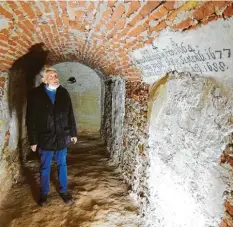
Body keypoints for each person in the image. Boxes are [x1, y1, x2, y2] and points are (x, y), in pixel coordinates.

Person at [26, 67, 77, 206]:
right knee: (45, 167)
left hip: (62, 135)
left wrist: (73, 133)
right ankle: (43, 194)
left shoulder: (63, 92)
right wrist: (33, 140)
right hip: (45, 137)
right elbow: (31, 119)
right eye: (52, 76)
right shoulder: (35, 94)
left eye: (56, 75)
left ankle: (64, 191)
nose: (56, 78)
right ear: (44, 80)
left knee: (62, 164)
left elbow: (70, 113)